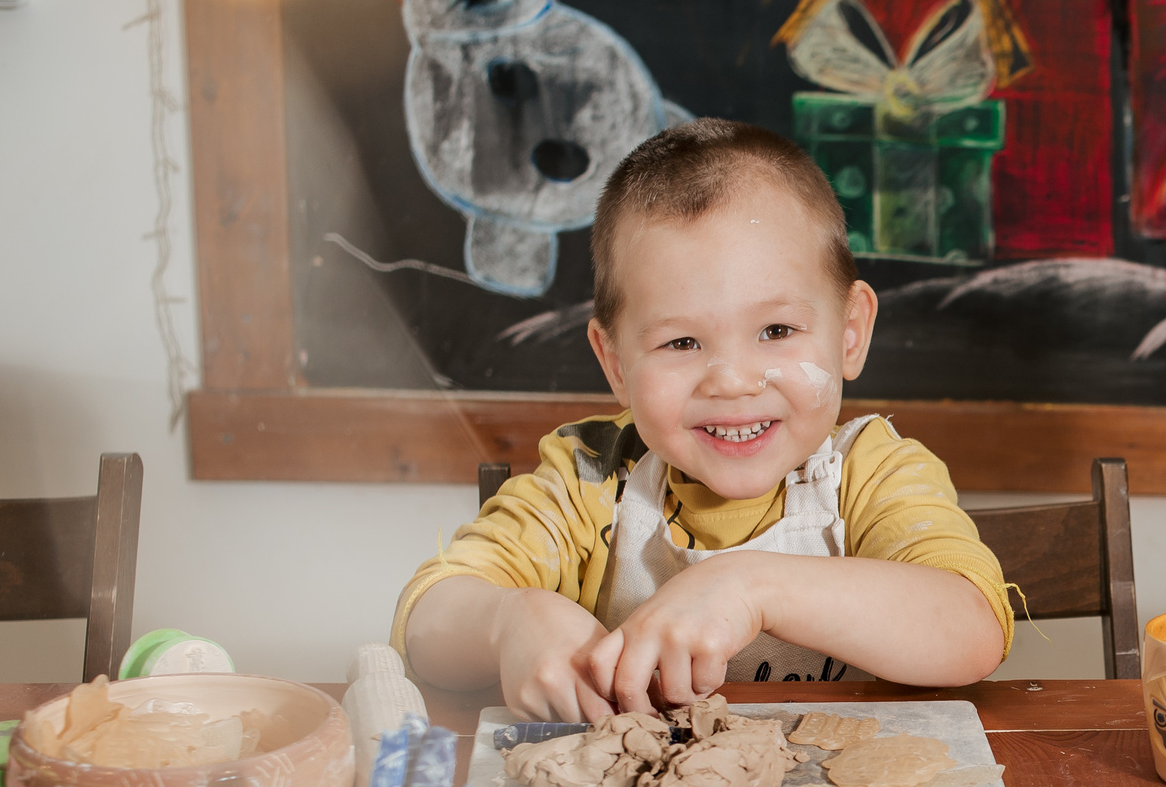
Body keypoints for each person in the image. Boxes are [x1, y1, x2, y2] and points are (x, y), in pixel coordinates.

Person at [396, 120, 1012, 721]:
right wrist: (510, 623)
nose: (732, 381)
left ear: (849, 333)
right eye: (681, 342)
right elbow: (425, 623)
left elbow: (971, 628)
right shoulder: (586, 483)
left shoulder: (873, 473)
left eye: (777, 330)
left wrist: (752, 587)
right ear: (615, 362)